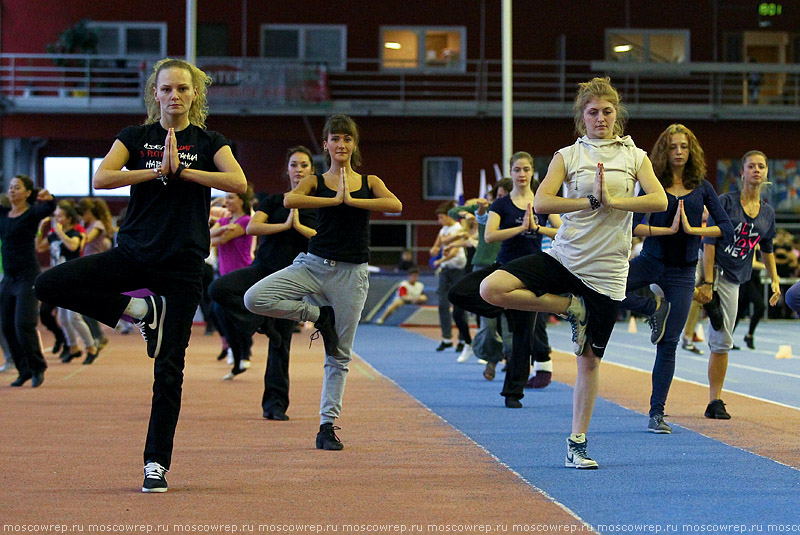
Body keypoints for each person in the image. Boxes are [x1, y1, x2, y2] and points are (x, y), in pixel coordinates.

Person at [34, 58, 247, 492]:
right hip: (133, 253)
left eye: (183, 90)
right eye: (167, 89)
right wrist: (155, 170)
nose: (175, 96)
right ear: (156, 94)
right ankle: (138, 310)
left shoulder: (209, 141)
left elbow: (238, 183)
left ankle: (156, 464)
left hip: (184, 265)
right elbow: (103, 176)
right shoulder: (136, 137)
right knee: (49, 283)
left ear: (194, 95)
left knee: (169, 369)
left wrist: (183, 170)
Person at [477, 77, 667, 468]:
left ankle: (577, 441)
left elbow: (659, 198)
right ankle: (570, 307)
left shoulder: (635, 155)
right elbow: (544, 201)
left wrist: (616, 201)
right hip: (565, 258)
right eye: (593, 112)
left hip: (608, 270)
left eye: (607, 111)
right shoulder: (569, 155)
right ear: (582, 117)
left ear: (617, 115)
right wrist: (588, 201)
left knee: (588, 362)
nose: (601, 118)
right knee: (491, 288)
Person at [244, 114, 402, 450]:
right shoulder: (315, 181)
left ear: (353, 145)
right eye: (335, 139)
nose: (341, 144)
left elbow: (395, 204)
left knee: (339, 355)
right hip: (313, 266)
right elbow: (291, 200)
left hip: (352, 274)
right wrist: (333, 200)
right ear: (326, 144)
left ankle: (326, 426)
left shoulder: (369, 181)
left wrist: (352, 200)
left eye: (347, 139)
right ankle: (318, 316)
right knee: (255, 298)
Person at [620, 124, 733, 433]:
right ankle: (651, 308)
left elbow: (726, 228)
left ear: (691, 150)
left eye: (684, 147)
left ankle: (657, 413)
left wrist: (694, 231)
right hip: (650, 262)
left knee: (668, 343)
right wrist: (665, 231)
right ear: (664, 151)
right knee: (606, 287)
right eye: (673, 147)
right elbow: (632, 226)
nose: (679, 152)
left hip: (683, 273)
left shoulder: (703, 187)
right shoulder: (653, 184)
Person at [207, 146, 317, 422]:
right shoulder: (273, 201)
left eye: (304, 165)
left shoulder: (318, 206)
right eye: (294, 165)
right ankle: (261, 323)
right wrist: (284, 226)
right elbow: (253, 227)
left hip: (292, 280)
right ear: (287, 170)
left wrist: (299, 226)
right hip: (262, 269)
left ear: (311, 171)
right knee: (218, 290)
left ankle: (274, 405)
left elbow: (321, 238)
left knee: (280, 345)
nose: (299, 169)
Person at [699, 150, 780, 420]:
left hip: (735, 277)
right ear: (742, 173)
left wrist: (776, 280)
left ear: (766, 173)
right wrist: (708, 281)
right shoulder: (726, 202)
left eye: (761, 166)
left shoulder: (767, 212)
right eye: (751, 166)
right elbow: (708, 243)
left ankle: (714, 401)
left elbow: (766, 248)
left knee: (722, 339)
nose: (756, 170)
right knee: (669, 297)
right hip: (711, 268)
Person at [0, 175, 55, 387]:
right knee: (6, 326)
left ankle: (37, 367)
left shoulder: (32, 214)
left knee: (23, 324)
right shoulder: (3, 215)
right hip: (9, 278)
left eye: (17, 188)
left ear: (27, 193)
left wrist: (48, 197)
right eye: (11, 188)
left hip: (27, 277)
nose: (12, 191)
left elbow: (49, 207)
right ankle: (23, 370)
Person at [36, 200, 100, 365]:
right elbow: (40, 247)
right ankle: (73, 347)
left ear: (69, 218)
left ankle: (91, 347)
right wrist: (40, 228)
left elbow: (74, 247)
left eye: (60, 216)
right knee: (63, 318)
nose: (57, 219)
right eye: (55, 216)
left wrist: (60, 233)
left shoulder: (75, 233)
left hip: (74, 279)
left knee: (74, 317)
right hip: (58, 280)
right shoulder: (53, 233)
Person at [209, 185, 255, 376]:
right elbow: (211, 237)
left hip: (242, 276)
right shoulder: (223, 220)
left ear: (241, 201)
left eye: (230, 198)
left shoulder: (246, 221)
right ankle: (238, 355)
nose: (227, 201)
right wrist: (220, 231)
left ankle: (243, 354)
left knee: (232, 315)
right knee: (218, 313)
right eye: (226, 198)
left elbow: (222, 237)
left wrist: (220, 233)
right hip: (224, 276)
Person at [430, 201, 472, 357]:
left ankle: (462, 339)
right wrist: (434, 251)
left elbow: (454, 251)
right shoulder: (443, 230)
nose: (439, 221)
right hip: (446, 270)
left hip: (458, 270)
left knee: (459, 306)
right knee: (442, 302)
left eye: (441, 217)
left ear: (448, 216)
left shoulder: (459, 229)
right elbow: (436, 247)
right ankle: (447, 337)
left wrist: (439, 260)